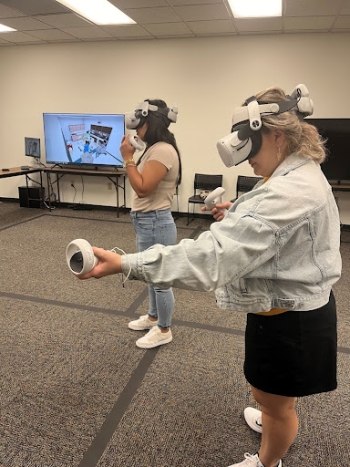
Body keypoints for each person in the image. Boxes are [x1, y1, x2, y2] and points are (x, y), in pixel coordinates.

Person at [75, 85, 341, 467]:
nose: (245, 158)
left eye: (250, 142)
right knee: (270, 393)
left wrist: (127, 264)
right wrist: (238, 212)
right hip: (284, 308)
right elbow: (272, 215)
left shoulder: (291, 191)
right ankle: (272, 417)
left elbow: (210, 259)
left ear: (277, 135)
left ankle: (268, 460)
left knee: (276, 402)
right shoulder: (297, 169)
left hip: (292, 321)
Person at [119, 99, 182, 349]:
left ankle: (164, 329)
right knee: (150, 274)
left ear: (149, 121)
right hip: (147, 222)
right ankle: (154, 317)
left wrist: (128, 159)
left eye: (140, 122)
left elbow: (143, 188)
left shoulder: (163, 150)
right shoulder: (154, 148)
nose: (137, 128)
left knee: (159, 279)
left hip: (155, 222)